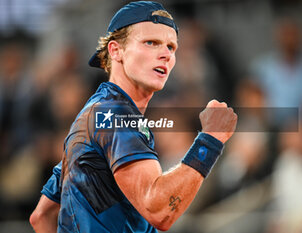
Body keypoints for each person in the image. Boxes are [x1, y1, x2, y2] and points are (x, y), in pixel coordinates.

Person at [30, 1, 237, 232]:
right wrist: (210, 139)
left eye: (171, 47)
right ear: (115, 51)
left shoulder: (91, 116)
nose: (165, 55)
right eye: (151, 43)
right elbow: (159, 210)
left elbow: (41, 216)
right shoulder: (116, 114)